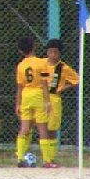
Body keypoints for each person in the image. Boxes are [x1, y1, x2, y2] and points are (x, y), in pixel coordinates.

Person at [14, 36, 52, 168]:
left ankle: (20, 158)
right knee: (42, 129)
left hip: (26, 95)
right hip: (38, 94)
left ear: (20, 51)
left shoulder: (20, 66)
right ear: (34, 46)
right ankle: (47, 161)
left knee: (24, 128)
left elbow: (19, 87)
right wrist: (47, 101)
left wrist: (17, 104)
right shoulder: (42, 63)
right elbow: (44, 83)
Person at [43, 39, 79, 168]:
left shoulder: (63, 68)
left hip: (54, 98)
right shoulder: (43, 64)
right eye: (50, 52)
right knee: (41, 127)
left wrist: (62, 88)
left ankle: (50, 158)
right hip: (41, 98)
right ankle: (44, 158)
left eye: (55, 52)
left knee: (51, 129)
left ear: (60, 53)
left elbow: (77, 80)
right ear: (47, 52)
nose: (53, 55)